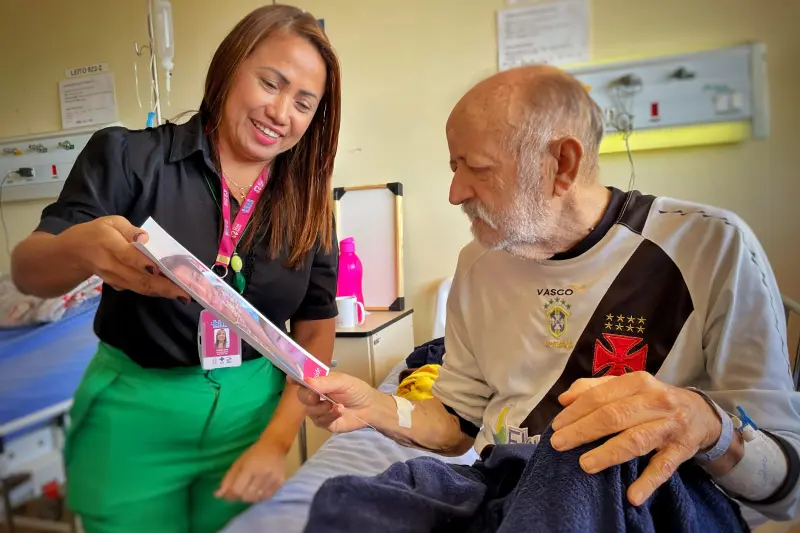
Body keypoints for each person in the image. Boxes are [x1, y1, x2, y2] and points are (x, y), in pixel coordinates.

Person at [298, 65, 800, 526]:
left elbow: (787, 487)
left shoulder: (709, 246)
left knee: (585, 449)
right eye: (454, 166)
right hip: (507, 486)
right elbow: (457, 423)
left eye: (476, 167)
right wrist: (374, 407)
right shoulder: (477, 265)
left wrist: (708, 426)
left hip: (641, 497)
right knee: (351, 506)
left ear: (562, 163)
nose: (454, 192)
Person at [10, 5, 340, 533]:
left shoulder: (309, 203)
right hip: (135, 422)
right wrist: (78, 247)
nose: (281, 112)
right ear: (231, 68)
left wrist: (275, 442)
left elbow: (316, 328)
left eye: (304, 103)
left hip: (250, 422)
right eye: (270, 83)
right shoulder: (129, 158)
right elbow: (28, 271)